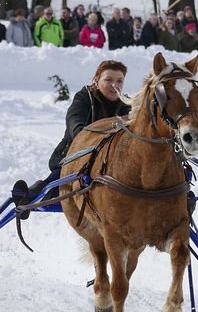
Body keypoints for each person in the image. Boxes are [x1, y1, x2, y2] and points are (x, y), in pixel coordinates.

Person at [12, 60, 131, 215]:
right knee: (56, 184)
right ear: (96, 80)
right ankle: (27, 198)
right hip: (75, 157)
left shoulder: (127, 106)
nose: (114, 85)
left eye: (119, 81)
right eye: (108, 80)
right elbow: (75, 122)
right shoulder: (85, 97)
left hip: (110, 164)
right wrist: (89, 136)